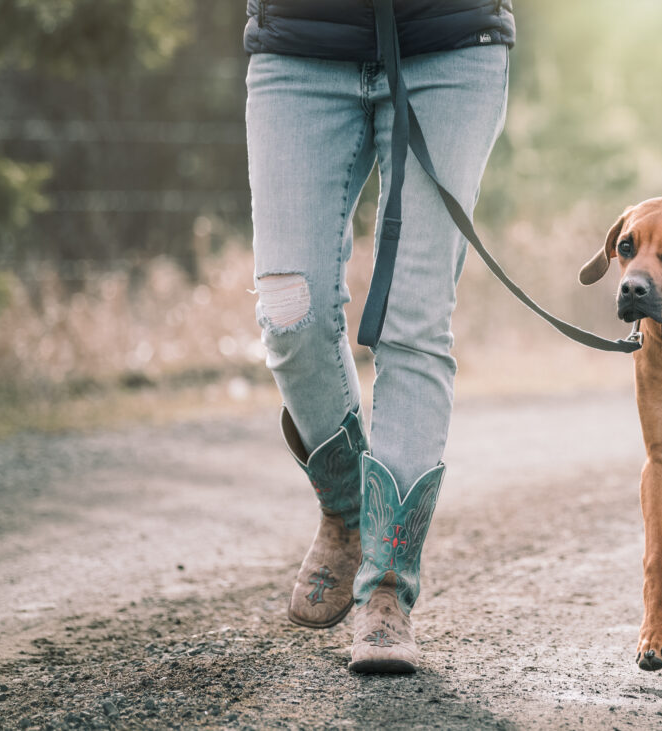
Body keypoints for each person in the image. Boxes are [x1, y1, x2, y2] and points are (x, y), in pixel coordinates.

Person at [243, 1, 515, 673]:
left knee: (414, 319)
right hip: (299, 41)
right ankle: (347, 509)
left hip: (449, 38)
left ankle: (386, 586)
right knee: (287, 308)